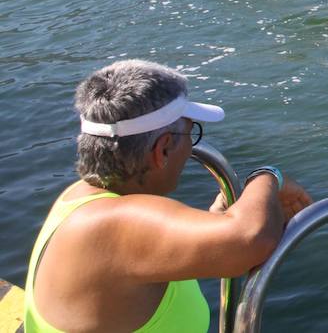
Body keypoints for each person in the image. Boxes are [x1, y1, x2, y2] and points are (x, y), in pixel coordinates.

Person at [24, 60, 312, 333]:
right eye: (191, 134)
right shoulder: (111, 226)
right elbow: (249, 240)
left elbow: (141, 259)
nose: (190, 150)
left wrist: (214, 221)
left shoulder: (81, 200)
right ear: (162, 150)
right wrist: (267, 177)